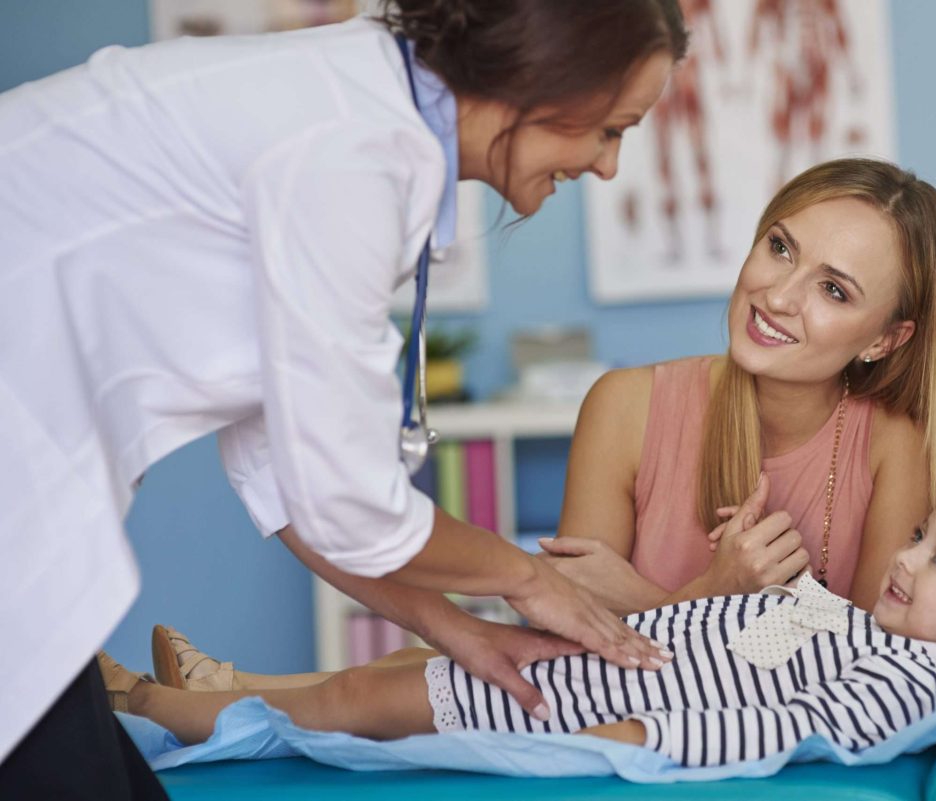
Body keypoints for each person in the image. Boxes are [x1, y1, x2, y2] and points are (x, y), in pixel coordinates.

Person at [0, 1, 687, 795]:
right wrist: (525, 578)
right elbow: (345, 500)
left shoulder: (361, 117)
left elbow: (287, 474)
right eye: (613, 129)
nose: (608, 167)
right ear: (544, 78)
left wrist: (458, 629)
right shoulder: (354, 149)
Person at [99, 479, 936, 768]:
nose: (904, 557)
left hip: (576, 709)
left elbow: (785, 727)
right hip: (595, 673)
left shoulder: (905, 683)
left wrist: (627, 739)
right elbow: (729, 642)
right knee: (391, 676)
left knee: (360, 697)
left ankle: (144, 703)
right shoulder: (870, 634)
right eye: (923, 535)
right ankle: (227, 684)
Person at [540, 157, 936, 614]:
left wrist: (669, 601)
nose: (778, 297)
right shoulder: (623, 407)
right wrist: (714, 593)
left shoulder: (897, 444)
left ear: (883, 340)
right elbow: (573, 653)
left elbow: (874, 668)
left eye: (834, 290)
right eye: (781, 248)